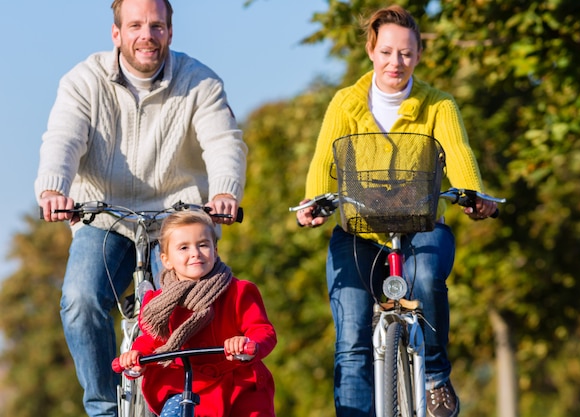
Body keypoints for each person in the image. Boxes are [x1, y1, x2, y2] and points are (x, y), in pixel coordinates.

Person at [35, 0, 247, 415]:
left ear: (170, 31)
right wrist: (52, 190)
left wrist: (224, 192)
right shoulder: (84, 81)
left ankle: (172, 399)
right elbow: (63, 139)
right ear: (116, 34)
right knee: (80, 299)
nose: (146, 35)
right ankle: (102, 407)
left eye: (156, 25)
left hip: (177, 218)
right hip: (103, 217)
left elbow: (224, 142)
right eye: (135, 26)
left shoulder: (200, 82)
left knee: (182, 308)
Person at [295, 5, 497, 417]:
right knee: (351, 340)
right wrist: (313, 200)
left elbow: (458, 154)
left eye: (406, 53)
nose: (396, 62)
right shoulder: (345, 103)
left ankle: (436, 377)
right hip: (358, 233)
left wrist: (473, 194)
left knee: (424, 280)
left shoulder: (438, 105)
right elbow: (323, 161)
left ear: (419, 55)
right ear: (371, 50)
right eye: (387, 52)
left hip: (421, 228)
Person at [117, 210, 277, 416]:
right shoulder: (156, 302)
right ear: (166, 260)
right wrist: (136, 357)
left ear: (215, 250)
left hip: (238, 384)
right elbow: (151, 339)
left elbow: (262, 330)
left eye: (203, 245)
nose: (195, 253)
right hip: (182, 384)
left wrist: (247, 344)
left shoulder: (238, 291)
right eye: (184, 247)